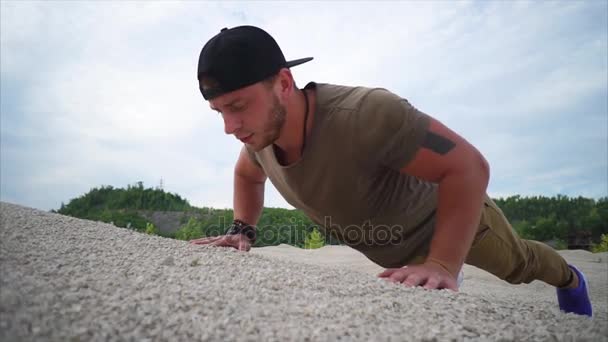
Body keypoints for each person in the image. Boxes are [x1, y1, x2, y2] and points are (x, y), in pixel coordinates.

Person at [189, 25, 593, 317]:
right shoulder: (259, 140)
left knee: (519, 266)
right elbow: (247, 175)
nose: (230, 127)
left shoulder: (366, 114)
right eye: (219, 111)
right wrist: (242, 230)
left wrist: (442, 264)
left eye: (238, 106)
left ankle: (572, 279)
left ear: (283, 82)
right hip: (394, 252)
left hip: (451, 222)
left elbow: (469, 167)